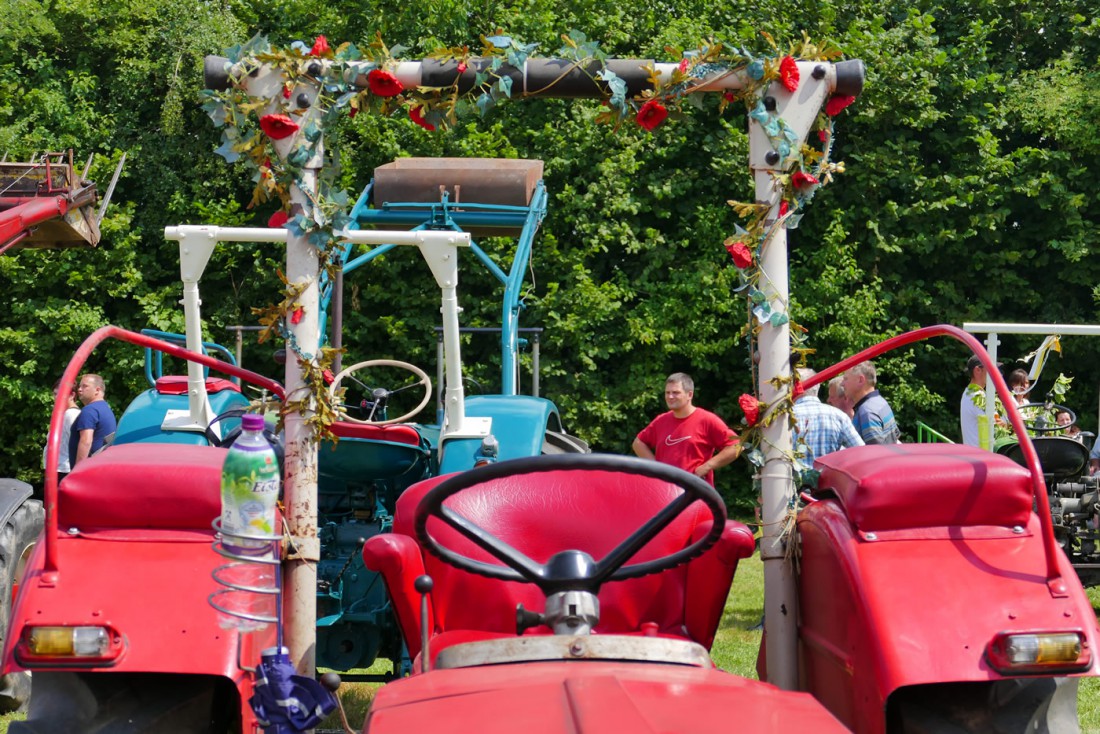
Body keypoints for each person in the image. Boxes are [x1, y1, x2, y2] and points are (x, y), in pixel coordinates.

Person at [633, 372, 741, 485]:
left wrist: (708, 466)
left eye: (675, 393)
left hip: (695, 494)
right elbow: (638, 443)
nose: (670, 397)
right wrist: (657, 468)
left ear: (690, 395)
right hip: (665, 493)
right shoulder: (661, 421)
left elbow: (736, 446)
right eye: (667, 393)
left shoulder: (706, 420)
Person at [792, 368, 864, 465]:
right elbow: (861, 452)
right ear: (817, 387)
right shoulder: (839, 416)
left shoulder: (785, 417)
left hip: (791, 479)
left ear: (793, 388)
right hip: (829, 479)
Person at [841, 361, 900, 444]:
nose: (842, 384)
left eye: (846, 379)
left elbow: (874, 453)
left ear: (860, 380)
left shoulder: (867, 412)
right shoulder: (880, 402)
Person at [69, 373, 117, 468]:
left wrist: (78, 470)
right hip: (102, 466)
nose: (79, 389)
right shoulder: (105, 408)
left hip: (90, 469)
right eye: (79, 386)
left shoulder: (90, 410)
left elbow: (86, 441)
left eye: (85, 386)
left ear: (97, 390)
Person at [43, 379, 81, 485]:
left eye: (60, 394)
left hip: (64, 469)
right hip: (57, 468)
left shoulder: (72, 415)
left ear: (72, 395)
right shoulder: (64, 414)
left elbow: (78, 444)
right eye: (55, 394)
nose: (56, 398)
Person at [960, 356, 991, 448]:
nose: (994, 373)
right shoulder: (976, 396)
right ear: (978, 370)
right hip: (980, 457)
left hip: (976, 454)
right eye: (990, 369)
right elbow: (994, 423)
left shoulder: (970, 393)